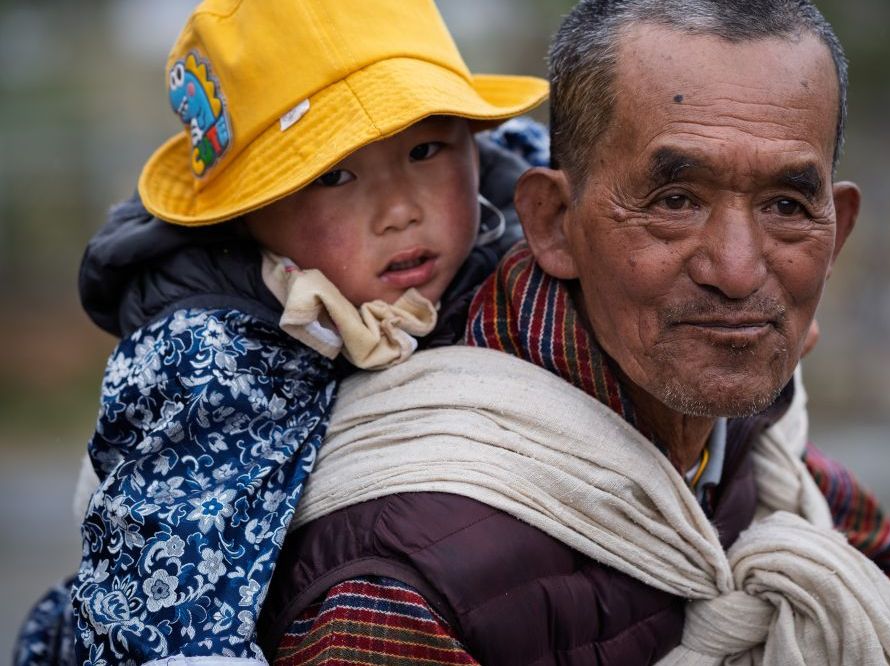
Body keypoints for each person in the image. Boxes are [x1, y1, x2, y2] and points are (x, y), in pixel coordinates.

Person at [254, 0, 890, 664]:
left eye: (786, 206)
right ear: (554, 223)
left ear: (837, 233)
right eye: (675, 201)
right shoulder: (397, 597)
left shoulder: (764, 446)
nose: (737, 271)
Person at [13, 1, 546, 664]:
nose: (400, 210)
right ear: (247, 211)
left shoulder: (532, 216)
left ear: (474, 140)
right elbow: (163, 619)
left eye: (425, 150)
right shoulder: (208, 360)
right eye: (333, 175)